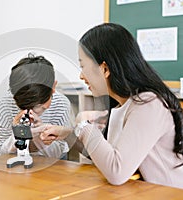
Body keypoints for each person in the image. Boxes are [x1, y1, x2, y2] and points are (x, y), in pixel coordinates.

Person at [41, 23, 183, 189]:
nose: (81, 75)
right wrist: (67, 134)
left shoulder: (149, 104)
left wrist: (84, 126)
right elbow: (105, 157)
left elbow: (116, 171)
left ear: (105, 69)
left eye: (83, 66)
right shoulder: (122, 105)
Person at [0, 54, 73, 159]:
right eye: (24, 106)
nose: (33, 111)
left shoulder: (61, 104)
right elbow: (3, 152)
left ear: (53, 87)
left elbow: (57, 154)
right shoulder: (5, 105)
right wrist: (17, 134)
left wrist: (40, 134)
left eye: (40, 105)